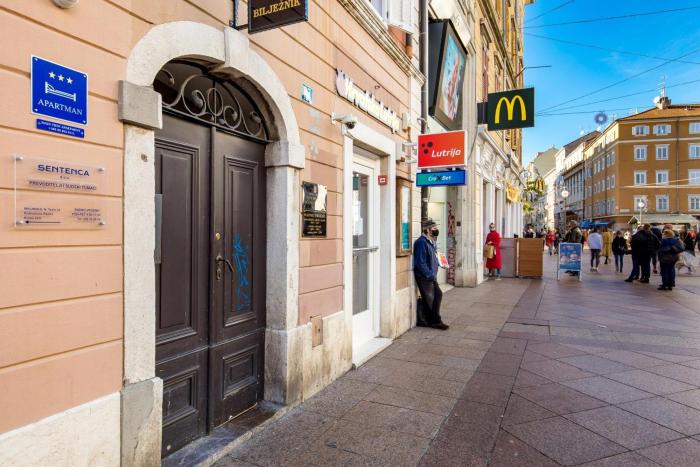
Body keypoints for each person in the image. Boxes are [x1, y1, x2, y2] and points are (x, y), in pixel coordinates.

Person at [413, 219, 448, 330]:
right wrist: (429, 275)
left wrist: (441, 263)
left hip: (431, 275)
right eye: (434, 228)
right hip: (424, 276)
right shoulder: (421, 242)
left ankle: (429, 320)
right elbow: (420, 262)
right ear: (428, 230)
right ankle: (435, 321)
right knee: (432, 297)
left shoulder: (431, 241)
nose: (436, 230)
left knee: (435, 296)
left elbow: (433, 257)